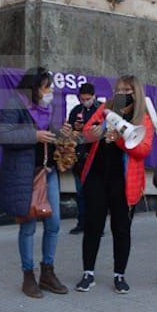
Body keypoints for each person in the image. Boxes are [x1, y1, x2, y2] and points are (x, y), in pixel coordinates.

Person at [75, 75, 155, 294]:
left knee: (121, 228)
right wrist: (98, 132)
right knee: (93, 226)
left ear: (135, 92)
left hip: (124, 182)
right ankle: (88, 273)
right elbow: (87, 134)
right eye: (119, 89)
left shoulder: (143, 118)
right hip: (97, 177)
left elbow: (143, 149)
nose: (122, 93)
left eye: (127, 90)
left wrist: (118, 138)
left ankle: (120, 275)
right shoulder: (104, 109)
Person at [0, 67, 68, 298]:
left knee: (54, 223)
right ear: (34, 87)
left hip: (49, 172)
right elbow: (3, 135)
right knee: (28, 226)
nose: (50, 92)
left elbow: (47, 133)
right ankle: (28, 275)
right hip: (25, 174)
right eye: (46, 87)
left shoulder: (47, 108)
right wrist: (34, 136)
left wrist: (60, 133)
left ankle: (48, 271)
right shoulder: (14, 104)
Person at [66, 82, 101, 235]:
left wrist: (86, 127)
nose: (85, 101)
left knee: (96, 194)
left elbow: (104, 132)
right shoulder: (75, 111)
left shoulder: (102, 110)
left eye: (88, 98)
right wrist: (74, 129)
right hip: (79, 157)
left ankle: (97, 226)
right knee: (80, 193)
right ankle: (82, 223)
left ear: (94, 96)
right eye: (83, 98)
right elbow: (69, 133)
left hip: (96, 158)